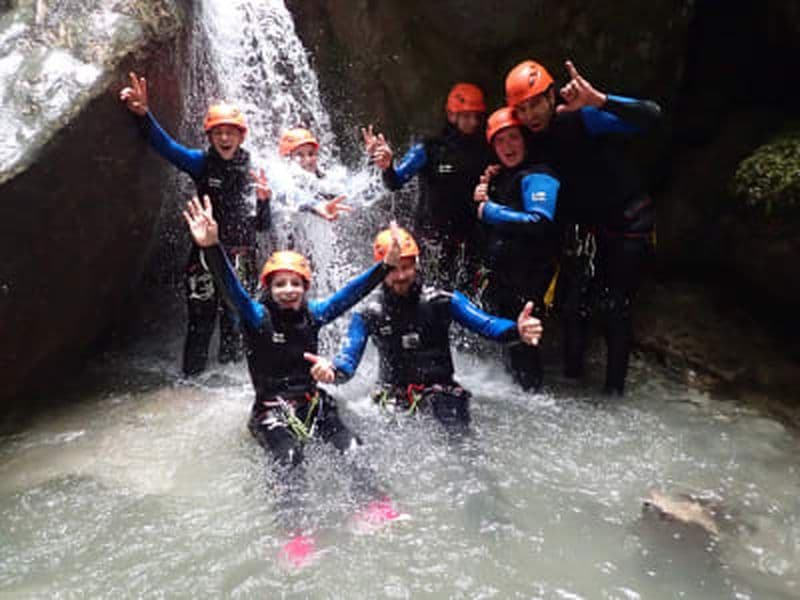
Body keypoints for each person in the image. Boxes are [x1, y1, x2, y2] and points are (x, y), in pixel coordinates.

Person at [181, 195, 400, 467]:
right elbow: (231, 290)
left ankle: (377, 507)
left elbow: (349, 295)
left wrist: (386, 267)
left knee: (354, 449)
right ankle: (293, 511)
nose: (287, 290)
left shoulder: (314, 313)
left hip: (312, 404)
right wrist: (212, 247)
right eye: (280, 284)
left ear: (305, 287)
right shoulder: (257, 316)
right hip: (271, 412)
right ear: (269, 290)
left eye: (295, 283)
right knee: (290, 458)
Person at [505, 59, 661, 394]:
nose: (530, 114)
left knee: (614, 307)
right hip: (589, 228)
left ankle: (614, 394)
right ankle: (574, 383)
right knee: (573, 305)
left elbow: (651, 116)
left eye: (536, 103)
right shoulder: (528, 141)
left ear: (551, 96)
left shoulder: (581, 119)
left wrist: (600, 99)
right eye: (522, 108)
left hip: (628, 220)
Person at [305, 226, 543, 432]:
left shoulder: (442, 301)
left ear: (417, 265)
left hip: (443, 391)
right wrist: (333, 373)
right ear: (381, 269)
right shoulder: (370, 313)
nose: (400, 276)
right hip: (392, 396)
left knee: (458, 440)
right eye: (393, 269)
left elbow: (488, 325)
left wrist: (516, 330)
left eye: (406, 267)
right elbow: (348, 358)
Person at [120, 72, 270, 376]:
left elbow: (264, 226)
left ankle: (233, 384)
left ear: (242, 136)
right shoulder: (201, 163)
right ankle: (191, 383)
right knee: (200, 322)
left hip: (241, 256)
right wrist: (143, 115)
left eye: (230, 133)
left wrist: (265, 200)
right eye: (218, 133)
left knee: (236, 323)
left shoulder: (256, 169)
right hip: (204, 255)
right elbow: (168, 148)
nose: (224, 139)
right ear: (210, 137)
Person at [362, 83, 493, 288]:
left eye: (477, 116)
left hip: (469, 241)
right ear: (451, 115)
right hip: (431, 241)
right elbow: (395, 182)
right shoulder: (429, 149)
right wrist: (387, 167)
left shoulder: (486, 149)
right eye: (467, 116)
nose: (473, 122)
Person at [472, 107, 562, 391]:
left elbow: (539, 222)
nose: (507, 146)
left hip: (532, 277)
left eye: (513, 138)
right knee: (512, 347)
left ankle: (532, 396)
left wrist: (490, 211)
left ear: (525, 139)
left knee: (525, 350)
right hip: (506, 277)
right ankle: (521, 392)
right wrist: (482, 200)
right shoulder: (501, 176)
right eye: (500, 141)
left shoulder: (539, 175)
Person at [269, 127, 352, 253]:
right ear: (287, 159)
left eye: (311, 154)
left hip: (308, 246)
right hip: (282, 242)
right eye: (300, 155)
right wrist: (316, 206)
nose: (307, 160)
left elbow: (349, 191)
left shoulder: (323, 181)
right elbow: (287, 194)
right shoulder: (281, 178)